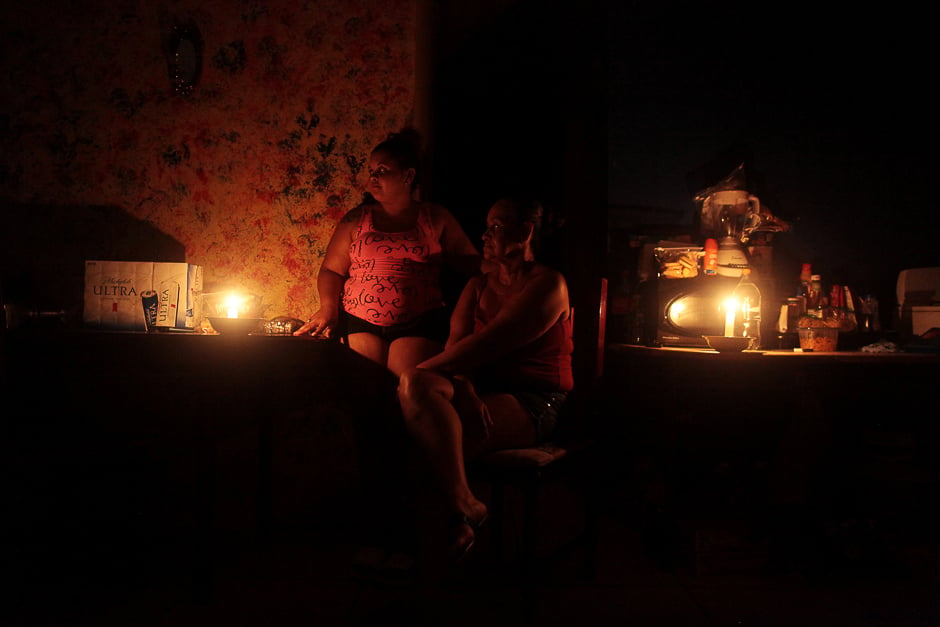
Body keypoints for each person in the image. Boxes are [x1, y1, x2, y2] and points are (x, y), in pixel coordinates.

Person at [396, 195, 574, 563]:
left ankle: (433, 542)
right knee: (417, 386)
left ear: (525, 232)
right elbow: (456, 350)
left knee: (425, 432)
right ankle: (465, 507)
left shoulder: (548, 284)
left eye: (496, 225)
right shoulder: (477, 286)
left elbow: (488, 344)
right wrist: (462, 387)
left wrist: (436, 375)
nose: (485, 234)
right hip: (479, 389)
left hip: (534, 400)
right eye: (488, 225)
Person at [293, 128, 481, 376]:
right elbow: (331, 270)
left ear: (408, 176)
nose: (372, 178)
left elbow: (473, 264)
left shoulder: (435, 218)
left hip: (419, 321)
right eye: (371, 171)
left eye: (382, 171)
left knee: (406, 389)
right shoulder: (356, 219)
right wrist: (328, 308)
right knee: (366, 391)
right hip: (359, 321)